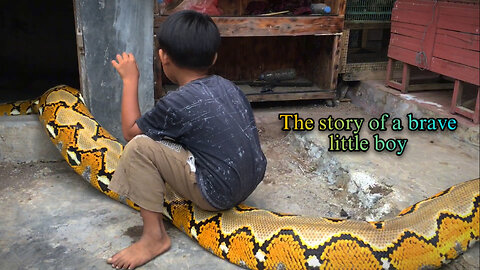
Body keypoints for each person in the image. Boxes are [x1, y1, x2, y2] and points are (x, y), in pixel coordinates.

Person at [107, 10, 267, 270]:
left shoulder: (176, 103)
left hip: (216, 193)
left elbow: (130, 131)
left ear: (163, 57)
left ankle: (153, 237)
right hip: (250, 182)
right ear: (214, 57)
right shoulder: (229, 86)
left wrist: (130, 79)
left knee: (138, 148)